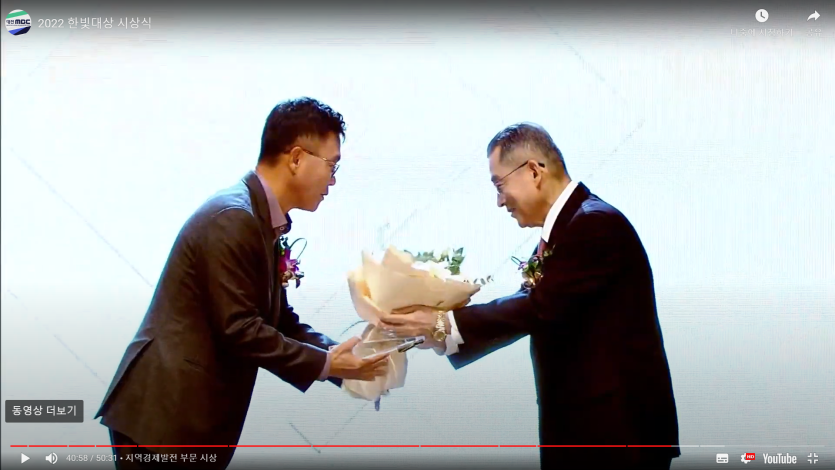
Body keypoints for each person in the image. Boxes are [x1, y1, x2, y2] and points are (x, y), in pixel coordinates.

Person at [95, 97, 390, 469]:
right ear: (296, 158)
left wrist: (350, 358)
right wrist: (328, 364)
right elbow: (240, 329)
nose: (333, 180)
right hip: (165, 417)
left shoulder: (258, 219)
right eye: (332, 166)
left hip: (183, 421)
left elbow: (280, 322)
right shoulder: (233, 218)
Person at [381, 123, 680, 469]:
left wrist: (443, 324)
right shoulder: (571, 227)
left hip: (617, 437)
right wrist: (439, 330)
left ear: (534, 172)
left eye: (499, 185)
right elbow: (537, 310)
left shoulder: (594, 225)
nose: (499, 201)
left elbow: (538, 308)